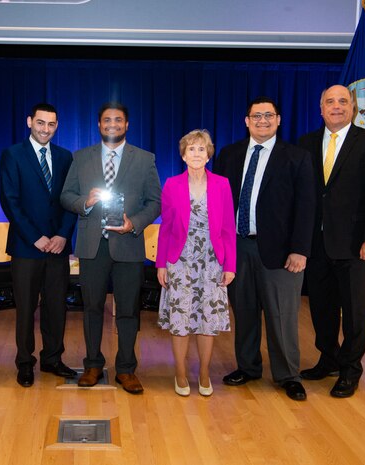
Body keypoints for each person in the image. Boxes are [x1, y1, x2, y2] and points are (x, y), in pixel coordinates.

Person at [213, 96, 315, 401]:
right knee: (244, 312)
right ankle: (248, 366)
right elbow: (218, 205)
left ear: (279, 120)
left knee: (282, 316)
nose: (262, 121)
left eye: (268, 115)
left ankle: (288, 375)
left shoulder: (296, 157)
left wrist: (300, 250)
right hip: (238, 248)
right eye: (256, 116)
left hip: (282, 253)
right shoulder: (229, 155)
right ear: (246, 121)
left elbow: (307, 207)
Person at [298, 85, 365, 398]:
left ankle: (351, 369)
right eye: (329, 101)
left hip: (355, 245)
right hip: (317, 244)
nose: (336, 106)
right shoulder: (306, 144)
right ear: (320, 108)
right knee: (322, 309)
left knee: (355, 313)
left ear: (352, 107)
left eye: (342, 101)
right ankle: (329, 358)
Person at [61, 102, 161, 394]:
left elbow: (155, 202)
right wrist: (85, 203)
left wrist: (135, 223)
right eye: (107, 120)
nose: (113, 124)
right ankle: (92, 365)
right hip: (93, 247)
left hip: (128, 245)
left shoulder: (144, 159)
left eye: (118, 120)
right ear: (99, 125)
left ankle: (127, 369)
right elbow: (66, 196)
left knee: (128, 310)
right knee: (91, 308)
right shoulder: (81, 158)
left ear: (127, 125)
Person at [0, 103, 78, 387]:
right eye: (41, 123)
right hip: (25, 247)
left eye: (51, 124)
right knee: (25, 308)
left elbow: (71, 200)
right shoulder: (12, 155)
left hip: (58, 247)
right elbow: (10, 202)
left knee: (56, 306)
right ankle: (25, 362)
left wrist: (61, 235)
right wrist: (36, 237)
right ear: (29, 121)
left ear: (57, 126)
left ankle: (53, 359)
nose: (46, 129)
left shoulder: (65, 157)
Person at [156, 129, 236, 397]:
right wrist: (161, 264)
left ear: (209, 154)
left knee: (207, 319)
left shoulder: (222, 184)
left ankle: (203, 373)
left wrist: (230, 265)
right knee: (180, 319)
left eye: (202, 149)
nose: (197, 153)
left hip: (213, 261)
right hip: (180, 261)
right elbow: (165, 227)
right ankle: (179, 372)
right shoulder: (171, 184)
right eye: (191, 149)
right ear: (183, 154)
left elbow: (227, 227)